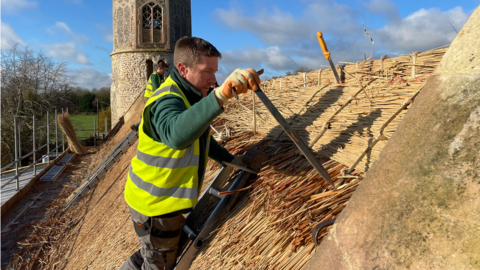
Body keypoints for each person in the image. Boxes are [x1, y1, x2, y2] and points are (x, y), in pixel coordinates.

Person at [119, 37, 260, 270]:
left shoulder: (189, 95)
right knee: (159, 263)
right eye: (207, 71)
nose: (214, 79)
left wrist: (230, 160)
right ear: (183, 69)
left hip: (154, 201)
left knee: (151, 252)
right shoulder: (167, 100)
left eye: (215, 72)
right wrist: (220, 96)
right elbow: (177, 134)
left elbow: (199, 137)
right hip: (155, 207)